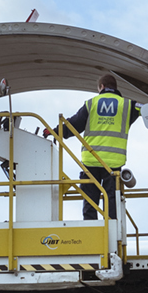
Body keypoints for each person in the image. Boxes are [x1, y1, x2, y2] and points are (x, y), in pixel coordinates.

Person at [57, 73, 142, 220]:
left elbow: (74, 124)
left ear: (101, 86)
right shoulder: (128, 105)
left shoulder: (91, 103)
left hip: (91, 160)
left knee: (90, 200)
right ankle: (112, 229)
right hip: (113, 163)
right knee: (112, 200)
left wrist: (54, 131)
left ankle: (91, 229)